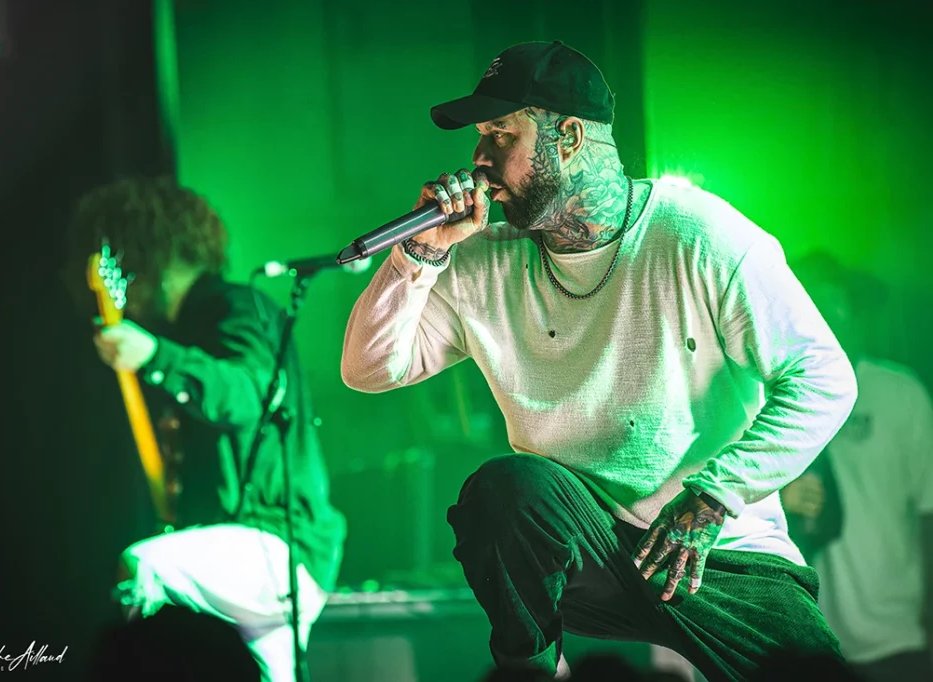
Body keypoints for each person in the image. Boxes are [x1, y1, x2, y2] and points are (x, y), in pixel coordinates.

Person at [340, 41, 858, 681]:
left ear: (570, 137)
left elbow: (824, 378)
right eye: (480, 137)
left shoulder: (697, 235)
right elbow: (369, 370)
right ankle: (531, 671)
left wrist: (714, 497)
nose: (479, 157)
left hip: (710, 549)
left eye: (502, 134)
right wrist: (416, 256)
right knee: (506, 491)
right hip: (583, 545)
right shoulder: (481, 261)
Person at [65, 176, 346, 682]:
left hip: (274, 545)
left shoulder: (234, 306)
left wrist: (154, 356)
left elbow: (250, 394)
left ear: (143, 251)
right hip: (256, 553)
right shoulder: (189, 326)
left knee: (144, 569)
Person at [781, 252, 933, 682]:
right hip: (815, 641)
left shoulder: (899, 392)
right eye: (810, 300)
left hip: (898, 635)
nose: (827, 313)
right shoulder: (778, 397)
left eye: (836, 300)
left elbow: (929, 511)